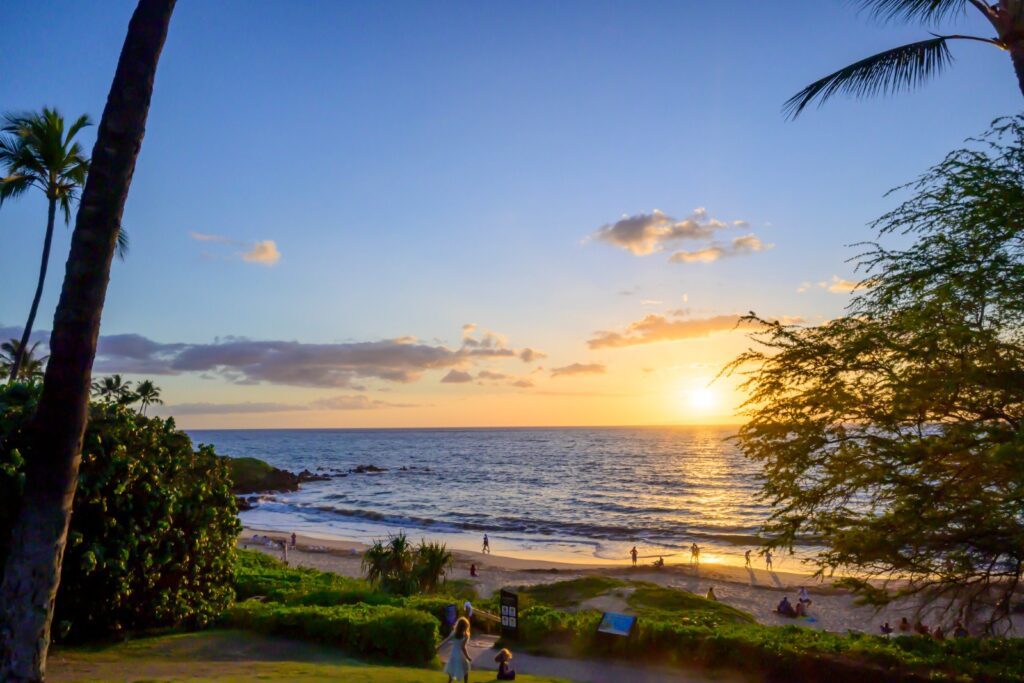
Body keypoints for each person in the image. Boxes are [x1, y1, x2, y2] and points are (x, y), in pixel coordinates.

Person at [437, 616, 471, 683]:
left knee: (452, 669)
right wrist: (468, 657)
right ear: (465, 627)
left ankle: (449, 682)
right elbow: (463, 648)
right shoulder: (465, 636)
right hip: (461, 655)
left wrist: (439, 646)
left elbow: (446, 640)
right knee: (465, 669)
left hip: (454, 653)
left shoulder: (454, 634)